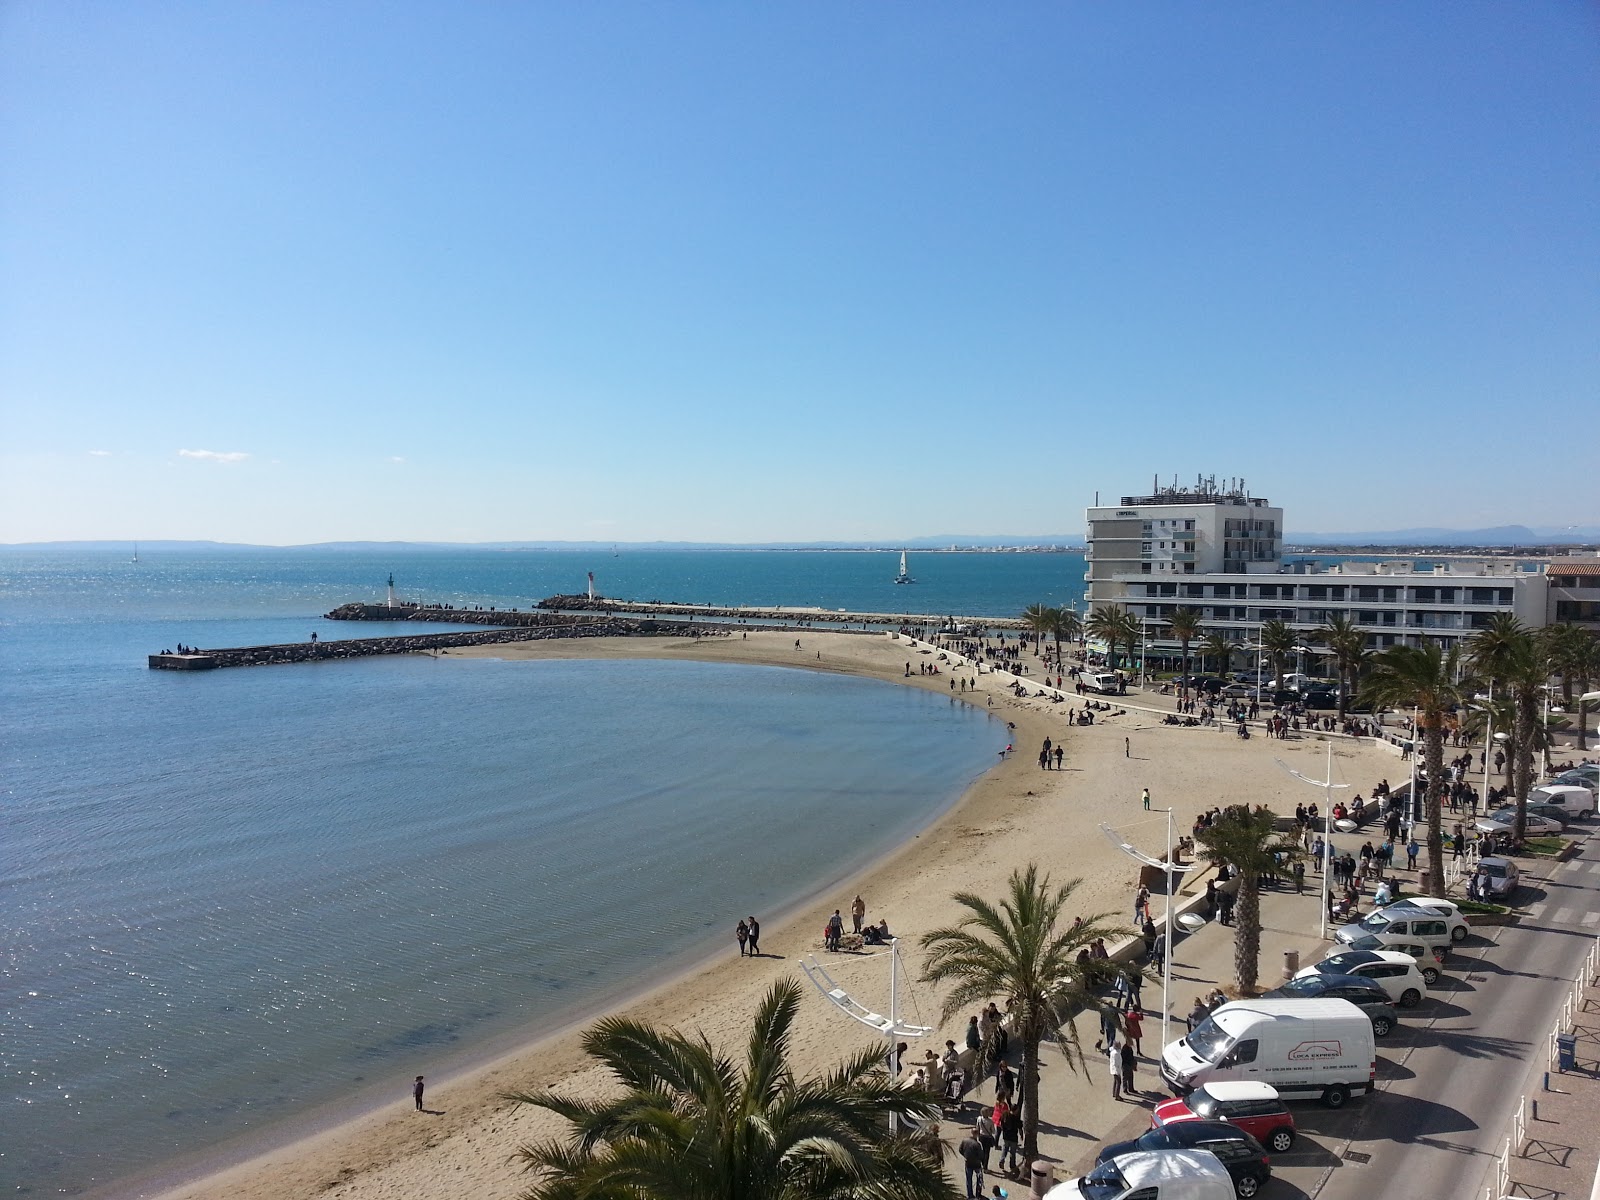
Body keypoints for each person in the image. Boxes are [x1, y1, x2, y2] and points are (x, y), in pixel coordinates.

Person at [959, 1127, 986, 1198]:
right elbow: (981, 1155)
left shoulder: (964, 1141)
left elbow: (960, 1150)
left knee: (969, 1179)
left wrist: (966, 1156)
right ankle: (978, 1194)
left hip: (968, 1163)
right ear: (977, 1134)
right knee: (979, 1179)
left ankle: (970, 1195)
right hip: (977, 1164)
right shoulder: (977, 1144)